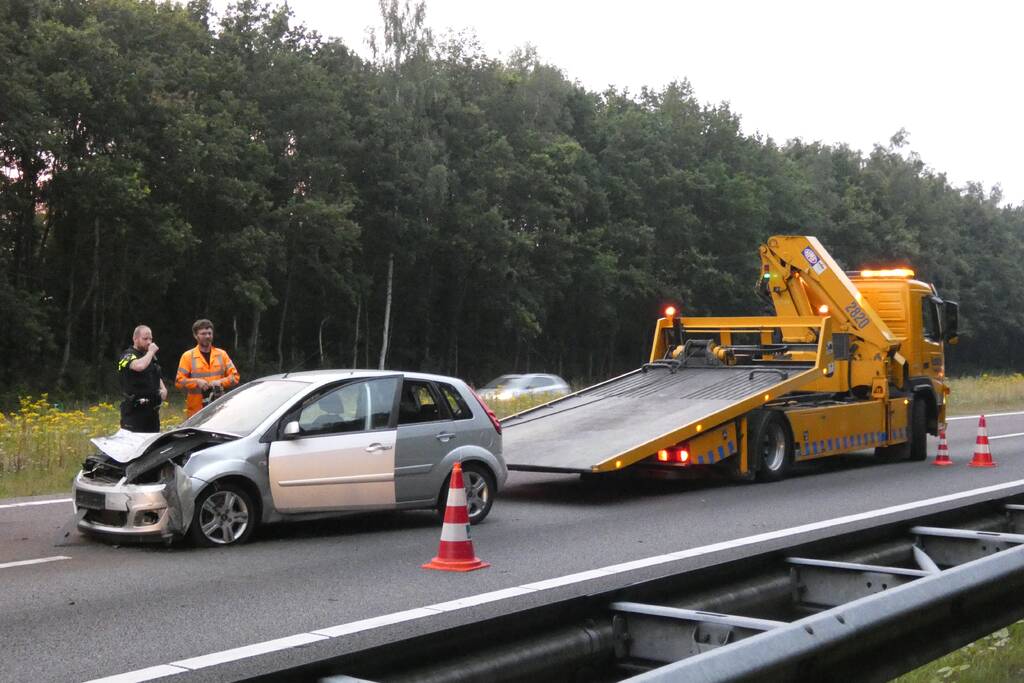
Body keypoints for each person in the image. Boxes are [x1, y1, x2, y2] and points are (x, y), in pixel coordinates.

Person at [175, 318, 240, 417]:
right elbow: (179, 382)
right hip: (196, 412)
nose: (207, 336)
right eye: (203, 333)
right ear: (195, 335)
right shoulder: (187, 356)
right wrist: (196, 382)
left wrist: (220, 382)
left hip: (219, 409)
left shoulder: (222, 354)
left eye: (210, 333)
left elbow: (235, 377)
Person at [118, 325, 168, 433]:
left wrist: (163, 389)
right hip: (134, 412)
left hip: (152, 411)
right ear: (135, 339)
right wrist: (150, 352)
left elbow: (155, 373)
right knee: (133, 445)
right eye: (145, 339)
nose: (149, 342)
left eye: (151, 339)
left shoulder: (150, 357)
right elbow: (139, 367)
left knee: (152, 445)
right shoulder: (128, 355)